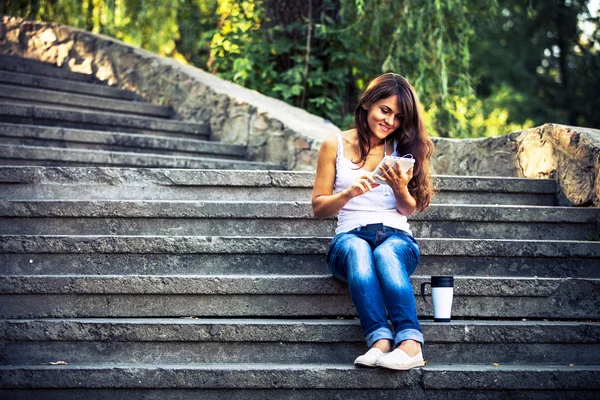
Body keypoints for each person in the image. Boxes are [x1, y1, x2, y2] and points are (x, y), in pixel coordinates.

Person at [311, 73, 434, 370]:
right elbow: (318, 207)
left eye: (398, 116)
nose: (390, 121)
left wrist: (399, 187)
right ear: (368, 104)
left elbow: (408, 209)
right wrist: (350, 192)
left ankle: (410, 343)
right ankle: (379, 340)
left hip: (396, 239)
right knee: (358, 249)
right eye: (385, 110)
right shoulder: (334, 144)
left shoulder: (402, 149)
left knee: (385, 253)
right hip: (349, 239)